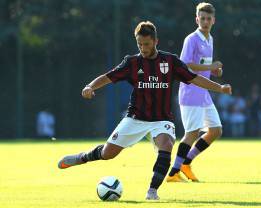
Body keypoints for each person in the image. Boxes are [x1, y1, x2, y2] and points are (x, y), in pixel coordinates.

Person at [57, 21, 232, 200]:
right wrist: (90, 86)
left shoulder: (170, 61)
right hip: (136, 117)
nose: (142, 48)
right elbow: (108, 77)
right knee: (107, 153)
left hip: (161, 119)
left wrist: (219, 88)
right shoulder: (132, 62)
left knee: (167, 145)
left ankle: (152, 192)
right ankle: (81, 157)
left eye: (146, 44)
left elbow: (194, 78)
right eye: (139, 44)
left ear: (156, 41)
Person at [167, 2, 225, 182]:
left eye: (209, 18)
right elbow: (185, 65)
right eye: (202, 18)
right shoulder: (191, 39)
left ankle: (186, 162)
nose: (205, 21)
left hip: (204, 94)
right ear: (197, 19)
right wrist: (210, 66)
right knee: (191, 133)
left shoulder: (210, 39)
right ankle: (173, 172)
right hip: (191, 92)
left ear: (213, 20)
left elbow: (202, 66)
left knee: (215, 130)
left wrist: (214, 71)